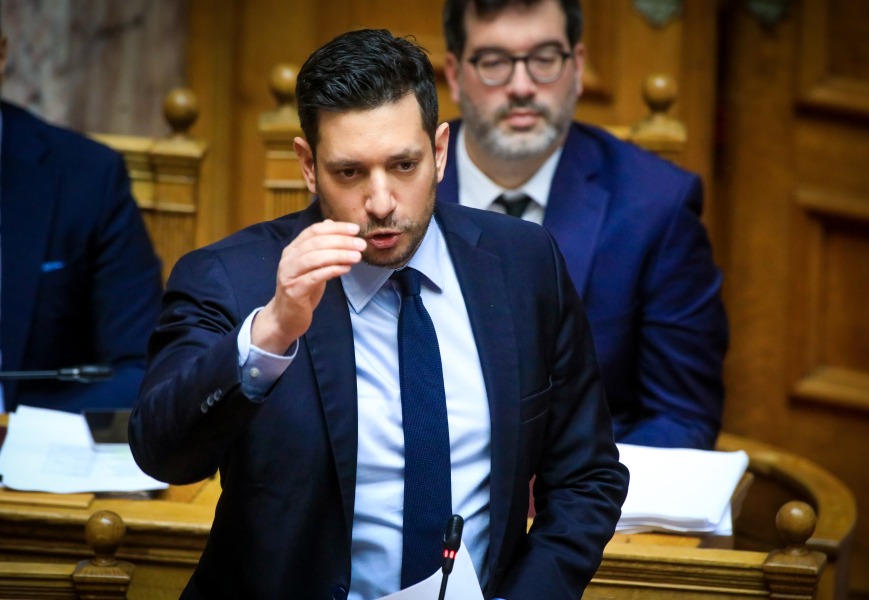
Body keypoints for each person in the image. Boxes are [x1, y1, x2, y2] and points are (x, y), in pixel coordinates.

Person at [129, 28, 628, 600]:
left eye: (404, 165)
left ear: (439, 151)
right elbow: (163, 455)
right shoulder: (230, 279)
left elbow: (587, 477)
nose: (382, 202)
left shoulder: (524, 264)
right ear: (308, 165)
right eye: (349, 172)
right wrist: (272, 332)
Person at [439, 0, 729, 449]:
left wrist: (581, 488)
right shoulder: (389, 187)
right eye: (494, 62)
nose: (521, 87)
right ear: (455, 74)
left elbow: (680, 418)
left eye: (544, 59)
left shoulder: (657, 206)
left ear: (576, 67)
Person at [0, 23, 162, 413]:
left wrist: (28, 433)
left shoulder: (87, 177)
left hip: (28, 435)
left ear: (1, 55)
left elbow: (140, 367)